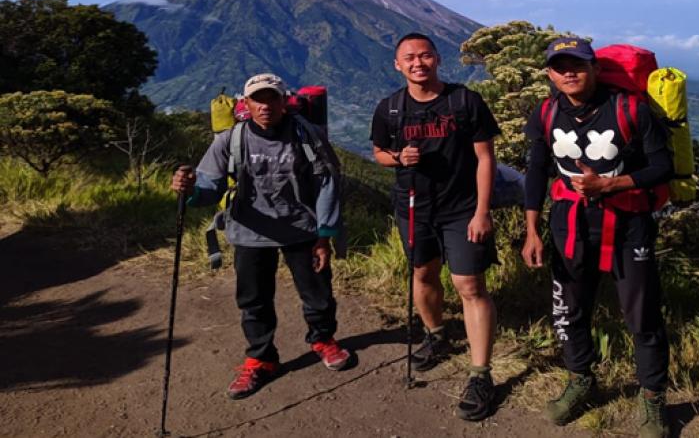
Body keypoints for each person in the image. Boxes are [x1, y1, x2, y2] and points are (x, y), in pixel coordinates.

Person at [521, 37, 673, 437]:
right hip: (569, 223)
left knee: (642, 315)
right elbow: (537, 171)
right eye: (560, 66)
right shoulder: (545, 112)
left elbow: (662, 166)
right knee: (569, 309)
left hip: (628, 224)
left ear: (595, 68)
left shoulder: (632, 109)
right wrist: (531, 230)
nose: (569, 72)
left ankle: (653, 397)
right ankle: (581, 379)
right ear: (550, 74)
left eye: (578, 65)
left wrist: (611, 185)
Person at [170, 73, 351, 400]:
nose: (265, 106)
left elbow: (327, 183)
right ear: (246, 104)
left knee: (318, 292)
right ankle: (261, 358)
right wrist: (190, 192)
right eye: (257, 99)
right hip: (250, 231)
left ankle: (323, 339)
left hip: (302, 229)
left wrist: (324, 236)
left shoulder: (305, 134)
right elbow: (210, 186)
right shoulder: (230, 139)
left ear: (284, 102)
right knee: (253, 300)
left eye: (272, 98)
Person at [370, 32, 501, 421]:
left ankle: (480, 375)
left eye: (425, 55)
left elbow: (485, 158)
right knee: (423, 273)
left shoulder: (464, 101)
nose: (417, 63)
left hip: (461, 209)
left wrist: (482, 211)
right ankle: (436, 334)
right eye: (409, 58)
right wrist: (398, 157)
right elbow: (378, 153)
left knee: (470, 285)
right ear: (397, 65)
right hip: (413, 207)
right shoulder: (389, 109)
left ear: (437, 59)